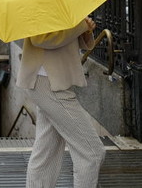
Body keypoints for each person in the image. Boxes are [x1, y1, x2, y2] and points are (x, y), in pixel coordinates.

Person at [17, 17, 105, 188]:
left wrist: (85, 30)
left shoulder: (57, 0)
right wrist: (80, 26)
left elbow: (67, 39)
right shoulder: (40, 0)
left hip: (51, 81)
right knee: (92, 152)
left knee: (46, 153)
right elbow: (41, 38)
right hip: (48, 82)